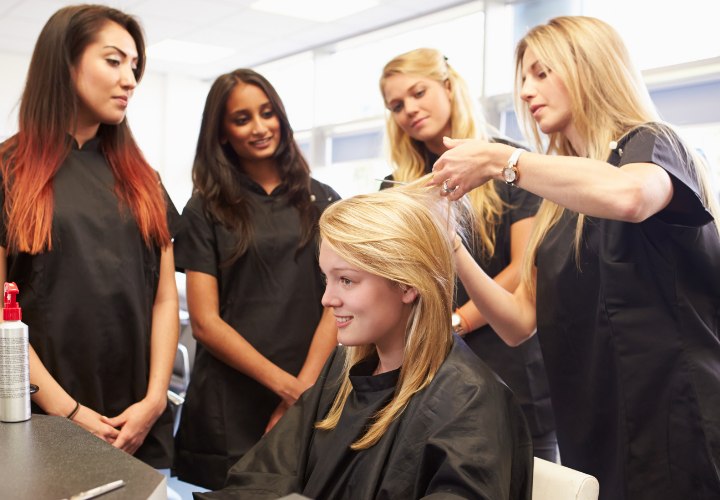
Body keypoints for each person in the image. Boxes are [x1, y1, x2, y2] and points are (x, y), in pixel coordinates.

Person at [431, 16, 720, 500]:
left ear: (590, 68)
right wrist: (452, 244)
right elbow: (518, 321)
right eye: (523, 78)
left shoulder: (652, 144)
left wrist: (499, 161)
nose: (525, 91)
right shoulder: (557, 202)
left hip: (676, 418)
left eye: (542, 73)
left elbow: (631, 197)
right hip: (593, 424)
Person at [196, 182, 533, 500]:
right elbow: (263, 477)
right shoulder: (342, 370)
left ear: (406, 285)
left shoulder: (470, 401)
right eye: (326, 279)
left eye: (346, 280)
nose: (327, 299)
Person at [0, 5, 179, 467]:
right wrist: (67, 410)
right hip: (40, 418)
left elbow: (163, 299)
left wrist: (156, 400)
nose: (130, 80)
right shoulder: (9, 172)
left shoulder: (143, 179)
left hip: (135, 420)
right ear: (65, 62)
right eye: (114, 60)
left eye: (135, 66)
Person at [380, 47, 556, 461]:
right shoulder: (397, 186)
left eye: (418, 93)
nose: (409, 110)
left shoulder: (510, 163)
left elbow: (520, 267)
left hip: (508, 358)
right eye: (397, 105)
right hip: (430, 367)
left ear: (447, 86)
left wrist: (457, 323)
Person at [173, 69, 340, 489]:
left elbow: (337, 303)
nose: (260, 127)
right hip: (230, 400)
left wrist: (303, 392)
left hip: (312, 381)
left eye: (268, 113)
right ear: (223, 133)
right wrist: (290, 391)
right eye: (242, 118)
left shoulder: (323, 200)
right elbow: (206, 324)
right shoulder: (206, 208)